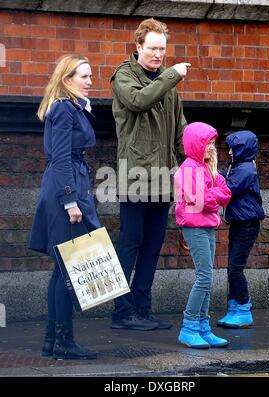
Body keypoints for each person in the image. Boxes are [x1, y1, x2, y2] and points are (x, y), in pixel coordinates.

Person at [110, 18, 190, 330]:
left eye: (162, 49)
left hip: (162, 177)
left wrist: (197, 156)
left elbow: (180, 127)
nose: (158, 55)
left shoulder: (168, 85)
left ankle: (142, 309)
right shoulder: (124, 76)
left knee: (153, 245)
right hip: (135, 176)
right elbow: (139, 100)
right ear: (138, 47)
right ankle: (121, 311)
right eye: (153, 48)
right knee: (130, 244)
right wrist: (171, 76)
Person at [28, 54, 101, 359]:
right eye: (84, 76)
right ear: (67, 79)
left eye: (90, 75)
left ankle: (53, 341)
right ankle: (63, 341)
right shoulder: (63, 109)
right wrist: (71, 200)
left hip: (68, 187)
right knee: (67, 269)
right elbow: (59, 159)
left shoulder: (72, 108)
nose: (89, 81)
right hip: (64, 194)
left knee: (62, 270)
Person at [174, 122, 232, 348]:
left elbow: (226, 194)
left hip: (207, 225)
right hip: (195, 226)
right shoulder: (188, 168)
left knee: (207, 278)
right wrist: (212, 195)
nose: (210, 147)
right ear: (195, 144)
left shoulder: (206, 168)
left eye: (212, 143)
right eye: (206, 143)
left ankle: (203, 327)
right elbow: (202, 201)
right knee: (205, 277)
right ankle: (189, 327)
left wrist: (212, 194)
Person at [217, 130, 265, 328]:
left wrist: (211, 176)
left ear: (242, 149)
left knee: (235, 269)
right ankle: (234, 307)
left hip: (247, 224)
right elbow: (226, 179)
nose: (228, 152)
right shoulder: (238, 166)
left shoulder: (246, 169)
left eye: (232, 149)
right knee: (232, 268)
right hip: (239, 223)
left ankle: (243, 308)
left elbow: (228, 189)